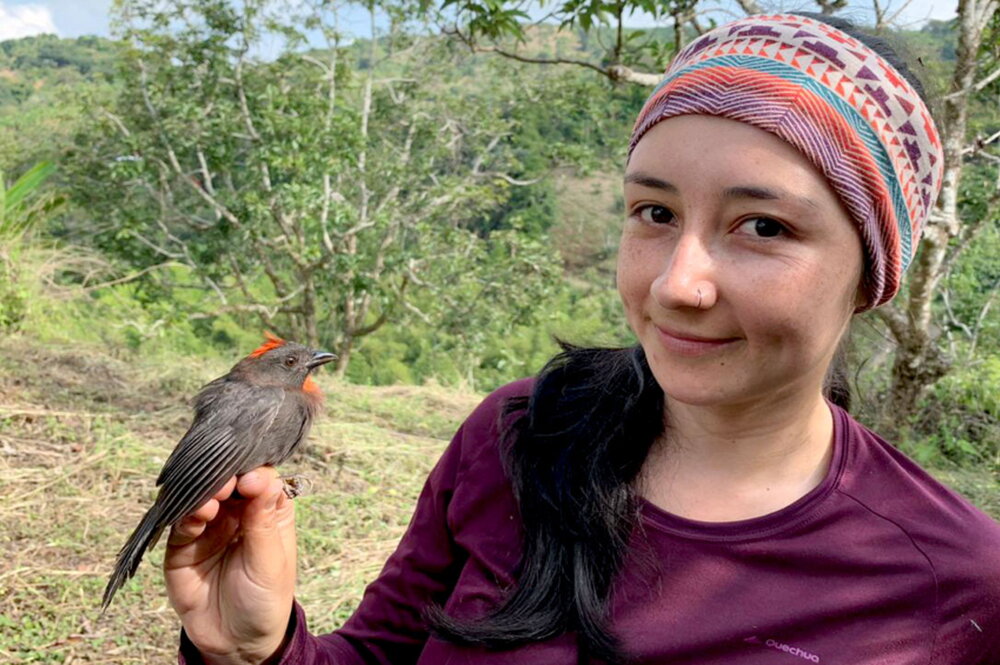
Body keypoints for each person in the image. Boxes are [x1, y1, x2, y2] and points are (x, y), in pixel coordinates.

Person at [166, 12, 1000, 665]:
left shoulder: (955, 583)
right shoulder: (519, 435)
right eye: (656, 212)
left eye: (763, 226)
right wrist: (255, 652)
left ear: (871, 275)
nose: (678, 283)